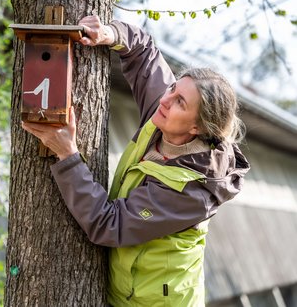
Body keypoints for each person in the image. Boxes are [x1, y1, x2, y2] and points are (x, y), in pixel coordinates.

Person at [22, 15, 251, 306]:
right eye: (173, 89)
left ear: (198, 129)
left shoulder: (193, 192)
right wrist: (109, 32)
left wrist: (68, 156)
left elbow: (109, 224)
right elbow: (143, 50)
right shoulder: (166, 114)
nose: (166, 100)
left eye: (180, 102)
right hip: (129, 291)